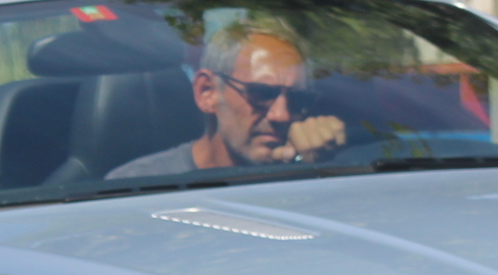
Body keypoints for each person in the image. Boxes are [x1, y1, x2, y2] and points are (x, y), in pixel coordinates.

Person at [107, 18, 346, 178]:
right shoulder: (138, 184)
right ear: (207, 93)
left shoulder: (320, 173)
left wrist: (314, 170)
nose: (281, 114)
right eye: (261, 93)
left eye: (297, 99)